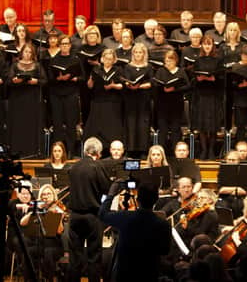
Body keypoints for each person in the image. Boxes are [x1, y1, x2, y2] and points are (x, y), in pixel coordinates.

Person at [99, 180, 171, 282]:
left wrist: (111, 194)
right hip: (149, 275)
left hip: (125, 276)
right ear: (156, 200)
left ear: (137, 200)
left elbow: (102, 214)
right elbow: (165, 250)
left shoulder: (125, 217)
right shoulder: (164, 224)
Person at [67, 137, 111, 282]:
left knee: (75, 258)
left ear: (85, 150)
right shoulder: (97, 166)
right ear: (98, 152)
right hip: (92, 217)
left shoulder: (73, 167)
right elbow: (107, 188)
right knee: (94, 257)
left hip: (74, 216)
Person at [7, 44, 46, 157]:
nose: (27, 54)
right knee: (18, 124)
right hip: (18, 99)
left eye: (30, 52)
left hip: (32, 99)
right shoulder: (15, 65)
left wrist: (36, 81)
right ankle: (16, 150)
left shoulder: (37, 66)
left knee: (31, 124)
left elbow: (44, 81)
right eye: (26, 51)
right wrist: (15, 81)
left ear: (33, 54)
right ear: (22, 53)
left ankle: (32, 151)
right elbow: (8, 81)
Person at [48, 35, 83, 156]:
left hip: (71, 94)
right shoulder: (54, 60)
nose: (65, 46)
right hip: (56, 94)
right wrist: (58, 78)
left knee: (70, 124)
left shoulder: (76, 59)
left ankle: (70, 151)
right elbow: (49, 79)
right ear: (59, 46)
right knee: (57, 124)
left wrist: (74, 78)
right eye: (62, 44)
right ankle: (57, 152)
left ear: (70, 45)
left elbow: (82, 77)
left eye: (67, 44)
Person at [84, 48, 124, 150]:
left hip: (112, 102)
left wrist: (113, 86)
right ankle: (96, 148)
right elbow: (90, 86)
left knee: (112, 127)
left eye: (110, 59)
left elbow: (122, 85)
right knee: (96, 125)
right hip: (98, 101)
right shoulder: (97, 69)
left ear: (114, 60)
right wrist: (90, 80)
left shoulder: (118, 70)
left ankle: (112, 148)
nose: (108, 61)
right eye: (106, 59)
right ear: (102, 59)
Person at [191, 35, 223, 159]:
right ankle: (204, 150)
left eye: (209, 44)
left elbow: (222, 78)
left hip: (214, 96)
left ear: (213, 46)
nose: (207, 46)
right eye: (205, 44)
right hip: (202, 96)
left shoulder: (218, 60)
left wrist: (213, 78)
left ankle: (211, 151)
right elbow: (194, 78)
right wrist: (199, 78)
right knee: (203, 125)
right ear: (202, 46)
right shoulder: (198, 61)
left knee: (213, 126)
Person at [154, 50, 191, 149]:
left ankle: (176, 152)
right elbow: (156, 85)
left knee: (175, 128)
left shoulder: (180, 71)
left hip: (176, 104)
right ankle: (161, 152)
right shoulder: (160, 71)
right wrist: (163, 88)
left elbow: (188, 86)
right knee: (163, 129)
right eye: (167, 61)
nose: (168, 63)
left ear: (176, 61)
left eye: (171, 61)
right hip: (162, 104)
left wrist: (174, 88)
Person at [122, 43, 153, 153]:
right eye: (136, 52)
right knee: (131, 124)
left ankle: (143, 150)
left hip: (144, 99)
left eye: (140, 52)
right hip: (131, 99)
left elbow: (151, 83)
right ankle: (130, 149)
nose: (138, 54)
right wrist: (129, 84)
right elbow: (125, 81)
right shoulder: (128, 66)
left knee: (143, 125)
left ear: (144, 54)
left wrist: (139, 86)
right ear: (133, 53)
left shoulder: (148, 67)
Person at [79, 25, 106, 124]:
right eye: (89, 34)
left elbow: (108, 65)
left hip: (99, 82)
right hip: (84, 81)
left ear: (98, 35)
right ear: (86, 36)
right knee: (85, 106)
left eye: (94, 33)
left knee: (98, 107)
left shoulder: (103, 48)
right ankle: (86, 129)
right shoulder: (81, 49)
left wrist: (98, 64)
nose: (91, 35)